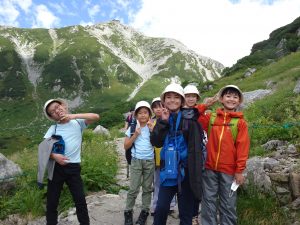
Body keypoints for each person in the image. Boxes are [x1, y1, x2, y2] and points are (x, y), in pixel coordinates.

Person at [151, 83, 205, 225]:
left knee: (186, 213)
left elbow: (196, 151)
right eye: (168, 97)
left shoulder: (190, 120)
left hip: (186, 173)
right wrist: (163, 122)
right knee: (161, 208)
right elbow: (156, 142)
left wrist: (196, 175)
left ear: (182, 101)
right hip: (168, 171)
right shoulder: (162, 118)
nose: (172, 100)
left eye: (176, 97)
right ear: (164, 101)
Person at [42, 98, 99, 225]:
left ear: (63, 105)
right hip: (56, 168)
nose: (57, 111)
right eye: (52, 111)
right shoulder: (53, 128)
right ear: (52, 116)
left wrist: (73, 116)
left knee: (80, 201)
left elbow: (95, 116)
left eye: (57, 107)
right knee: (52, 202)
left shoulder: (78, 123)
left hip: (73, 168)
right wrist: (54, 156)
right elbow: (43, 149)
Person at [200, 85, 250, 225]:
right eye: (228, 96)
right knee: (208, 202)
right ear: (221, 99)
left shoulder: (240, 123)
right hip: (210, 167)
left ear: (239, 101)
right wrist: (205, 105)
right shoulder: (211, 118)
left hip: (229, 171)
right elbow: (195, 117)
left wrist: (239, 171)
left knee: (228, 204)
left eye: (235, 97)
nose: (231, 99)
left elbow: (242, 148)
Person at [124, 101, 155, 225]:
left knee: (147, 189)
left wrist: (153, 131)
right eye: (140, 113)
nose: (143, 115)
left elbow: (158, 142)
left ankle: (144, 212)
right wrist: (135, 135)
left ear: (149, 115)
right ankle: (128, 211)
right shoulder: (132, 128)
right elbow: (126, 146)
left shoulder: (152, 127)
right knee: (133, 188)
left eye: (145, 112)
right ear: (136, 115)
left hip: (149, 161)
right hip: (136, 161)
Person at [148, 97, 177, 216]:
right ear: (153, 110)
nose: (158, 109)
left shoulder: (170, 119)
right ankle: (155, 206)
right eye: (155, 107)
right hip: (157, 158)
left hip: (169, 157)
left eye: (160, 106)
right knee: (158, 183)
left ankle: (171, 205)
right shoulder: (152, 122)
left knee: (171, 180)